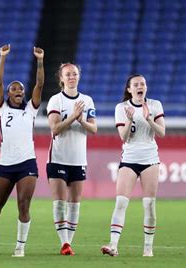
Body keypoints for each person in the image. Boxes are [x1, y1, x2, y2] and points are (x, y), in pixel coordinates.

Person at [0, 44, 44, 257]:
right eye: (14, 89)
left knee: (23, 205)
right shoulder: (2, 108)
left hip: (27, 163)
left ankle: (20, 247)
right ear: (8, 93)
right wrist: (2, 57)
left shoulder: (31, 109)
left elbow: (40, 83)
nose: (19, 91)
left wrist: (40, 60)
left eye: (21, 89)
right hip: (5, 165)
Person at [101, 74, 165, 257]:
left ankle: (148, 248)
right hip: (129, 158)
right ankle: (113, 245)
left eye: (143, 84)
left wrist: (149, 119)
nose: (140, 87)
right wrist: (130, 119)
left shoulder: (155, 105)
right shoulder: (121, 108)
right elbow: (123, 137)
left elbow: (162, 132)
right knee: (121, 202)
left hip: (150, 159)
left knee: (149, 205)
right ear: (129, 89)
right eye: (136, 84)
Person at [46, 62, 97, 255]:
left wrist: (81, 119)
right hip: (58, 158)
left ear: (79, 76)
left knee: (74, 203)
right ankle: (64, 243)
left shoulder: (87, 100)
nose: (71, 77)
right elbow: (55, 129)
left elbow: (94, 129)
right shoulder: (55, 100)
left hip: (78, 159)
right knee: (60, 201)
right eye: (67, 74)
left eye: (74, 74)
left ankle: (69, 243)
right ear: (61, 78)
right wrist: (73, 117)